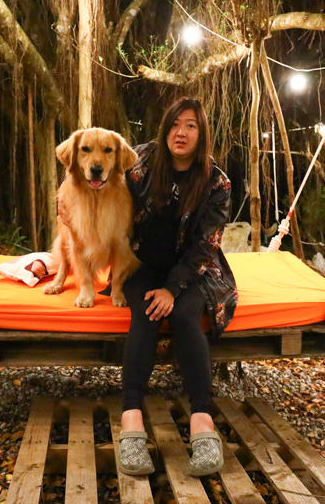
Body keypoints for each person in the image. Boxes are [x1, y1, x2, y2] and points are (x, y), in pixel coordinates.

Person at [116, 97, 238, 477]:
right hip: (141, 263)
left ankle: (202, 420)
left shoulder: (216, 181)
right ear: (164, 128)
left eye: (190, 125)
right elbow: (95, 186)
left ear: (201, 134)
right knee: (146, 313)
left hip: (195, 268)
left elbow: (206, 245)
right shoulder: (137, 164)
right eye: (174, 124)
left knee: (186, 315)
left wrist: (172, 288)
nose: (180, 133)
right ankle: (131, 419)